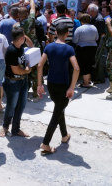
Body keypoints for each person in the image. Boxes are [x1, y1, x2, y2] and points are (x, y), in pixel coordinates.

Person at [37, 23, 80, 155]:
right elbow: (77, 68)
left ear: (55, 33)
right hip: (63, 85)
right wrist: (72, 87)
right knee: (57, 113)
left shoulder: (49, 47)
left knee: (59, 108)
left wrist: (39, 85)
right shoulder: (69, 49)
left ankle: (65, 135)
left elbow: (39, 65)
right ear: (67, 34)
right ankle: (45, 143)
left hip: (51, 83)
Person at [0, 27, 33, 138]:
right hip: (13, 82)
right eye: (24, 37)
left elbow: (31, 45)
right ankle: (5, 127)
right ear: (21, 38)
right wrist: (27, 70)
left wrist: (23, 35)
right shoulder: (11, 50)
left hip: (23, 80)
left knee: (21, 105)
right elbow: (15, 70)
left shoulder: (21, 46)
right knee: (11, 106)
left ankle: (16, 129)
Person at [14, 0, 41, 101]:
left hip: (22, 50)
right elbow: (33, 7)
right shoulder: (31, 20)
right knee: (35, 71)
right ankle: (35, 93)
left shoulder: (16, 26)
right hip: (34, 49)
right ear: (27, 13)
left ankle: (24, 92)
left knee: (24, 72)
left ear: (18, 15)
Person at [73, 14, 98, 88]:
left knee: (84, 65)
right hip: (93, 48)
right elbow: (97, 38)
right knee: (90, 64)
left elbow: (75, 40)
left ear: (81, 20)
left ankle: (86, 83)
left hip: (83, 48)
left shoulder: (79, 29)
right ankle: (88, 80)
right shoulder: (94, 27)